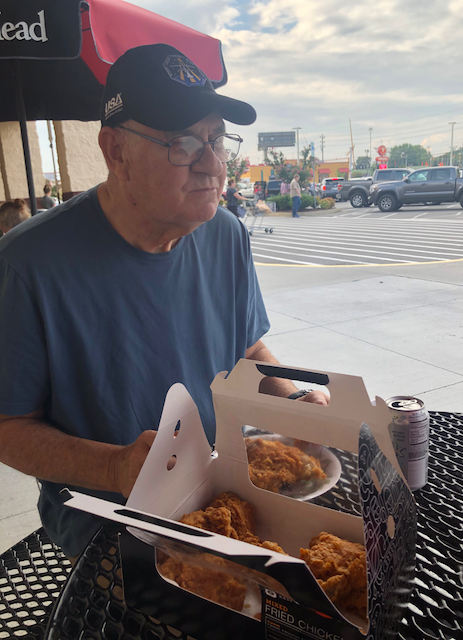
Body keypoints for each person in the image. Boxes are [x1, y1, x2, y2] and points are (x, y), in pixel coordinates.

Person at [0, 44, 328, 560]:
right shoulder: (27, 264)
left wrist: (291, 402)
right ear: (115, 151)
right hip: (109, 532)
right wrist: (115, 466)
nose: (212, 165)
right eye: (184, 143)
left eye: (216, 140)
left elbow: (247, 350)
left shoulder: (226, 235)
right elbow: (8, 426)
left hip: (224, 505)